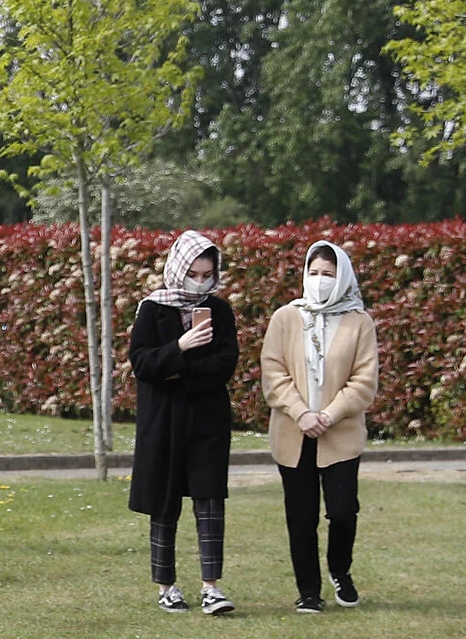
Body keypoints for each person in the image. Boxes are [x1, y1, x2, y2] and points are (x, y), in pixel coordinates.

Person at [261, 240, 379, 613]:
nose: (320, 280)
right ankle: (308, 590)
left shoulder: (360, 321)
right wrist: (302, 413)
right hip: (293, 434)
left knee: (343, 510)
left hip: (339, 434)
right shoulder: (285, 318)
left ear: (341, 277)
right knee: (301, 516)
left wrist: (328, 414)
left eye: (327, 274)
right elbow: (273, 371)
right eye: (314, 273)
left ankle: (340, 570)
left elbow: (364, 380)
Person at [129, 231, 240, 616]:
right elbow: (142, 364)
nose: (201, 281)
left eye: (207, 274)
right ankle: (167, 586)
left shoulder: (220, 311)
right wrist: (180, 348)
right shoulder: (151, 309)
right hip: (163, 423)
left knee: (209, 500)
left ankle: (212, 586)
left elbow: (224, 365)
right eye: (193, 273)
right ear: (178, 268)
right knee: (165, 501)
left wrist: (178, 372)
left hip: (207, 421)